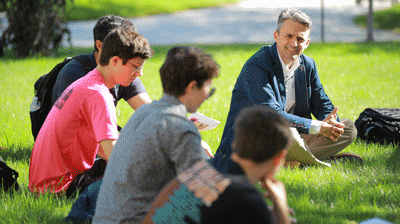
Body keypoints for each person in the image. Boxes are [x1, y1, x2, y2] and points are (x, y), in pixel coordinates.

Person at [212, 8, 358, 172]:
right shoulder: (257, 64)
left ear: (307, 43)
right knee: (290, 134)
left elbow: (321, 102)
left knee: (348, 128)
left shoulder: (308, 65)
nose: (294, 43)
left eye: (300, 39)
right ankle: (315, 161)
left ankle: (295, 161)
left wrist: (331, 122)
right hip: (255, 139)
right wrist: (318, 127)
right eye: (289, 36)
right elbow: (271, 114)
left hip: (293, 135)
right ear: (276, 36)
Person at [92, 46, 219, 224]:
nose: (207, 97)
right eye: (209, 90)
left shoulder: (143, 113)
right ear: (192, 87)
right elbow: (209, 192)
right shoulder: (180, 128)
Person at [28, 27, 153, 196]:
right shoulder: (99, 94)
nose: (140, 74)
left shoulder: (88, 82)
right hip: (61, 185)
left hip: (46, 183)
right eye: (136, 67)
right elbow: (113, 154)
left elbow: (103, 150)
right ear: (115, 61)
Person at [143, 105, 295, 224]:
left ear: (235, 143)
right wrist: (281, 210)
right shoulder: (246, 198)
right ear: (279, 157)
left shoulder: (199, 174)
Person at [51, 14, 151, 115]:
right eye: (122, 48)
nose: (128, 53)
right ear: (99, 45)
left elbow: (148, 111)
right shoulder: (75, 73)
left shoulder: (124, 70)